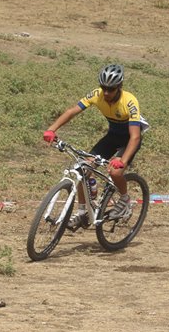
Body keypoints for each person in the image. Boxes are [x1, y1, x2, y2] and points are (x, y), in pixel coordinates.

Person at [43, 64, 149, 229]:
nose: (106, 93)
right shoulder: (97, 94)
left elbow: (135, 136)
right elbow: (72, 111)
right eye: (104, 88)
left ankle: (125, 199)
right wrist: (51, 129)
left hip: (129, 141)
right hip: (112, 137)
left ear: (119, 87)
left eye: (111, 89)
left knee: (115, 171)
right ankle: (82, 213)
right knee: (82, 169)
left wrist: (123, 160)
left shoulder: (129, 101)